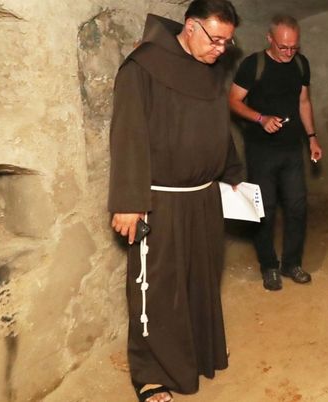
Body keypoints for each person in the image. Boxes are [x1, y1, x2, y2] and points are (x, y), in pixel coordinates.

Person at [107, 1, 242, 401]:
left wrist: (231, 173)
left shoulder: (213, 71)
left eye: (227, 43)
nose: (220, 49)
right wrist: (129, 200)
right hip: (159, 199)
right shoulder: (143, 66)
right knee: (158, 286)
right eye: (215, 39)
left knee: (201, 279)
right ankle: (151, 373)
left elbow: (220, 129)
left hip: (204, 197)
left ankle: (198, 353)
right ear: (190, 26)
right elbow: (128, 133)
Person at [228, 15, 323, 291]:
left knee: (297, 207)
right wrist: (260, 118)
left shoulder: (300, 64)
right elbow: (232, 101)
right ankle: (269, 266)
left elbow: (304, 101)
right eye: (283, 47)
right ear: (269, 39)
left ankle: (291, 263)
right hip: (261, 151)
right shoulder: (252, 66)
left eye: (294, 47)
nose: (288, 53)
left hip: (292, 149)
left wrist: (312, 138)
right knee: (264, 210)